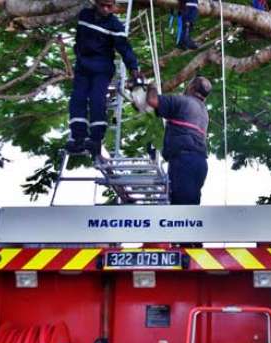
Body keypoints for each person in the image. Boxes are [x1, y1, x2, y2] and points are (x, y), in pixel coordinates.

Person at [66, 0, 143, 158]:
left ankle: (95, 140)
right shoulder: (84, 15)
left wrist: (134, 70)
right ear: (96, 4)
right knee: (77, 99)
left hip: (102, 68)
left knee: (97, 99)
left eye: (110, 6)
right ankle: (78, 138)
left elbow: (125, 49)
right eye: (103, 5)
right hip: (82, 66)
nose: (106, 9)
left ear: (114, 6)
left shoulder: (115, 25)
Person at [146, 76, 212, 204]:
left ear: (191, 87)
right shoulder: (204, 112)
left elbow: (152, 100)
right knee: (188, 206)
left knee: (181, 210)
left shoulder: (182, 101)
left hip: (184, 162)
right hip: (199, 163)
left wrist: (151, 85)